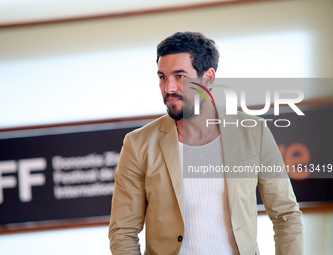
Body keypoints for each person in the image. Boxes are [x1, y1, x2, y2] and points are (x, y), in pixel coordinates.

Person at [108, 31, 303, 255]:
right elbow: (123, 231)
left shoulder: (254, 133)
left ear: (208, 77)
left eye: (180, 76)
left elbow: (286, 215)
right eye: (162, 77)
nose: (168, 88)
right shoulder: (138, 144)